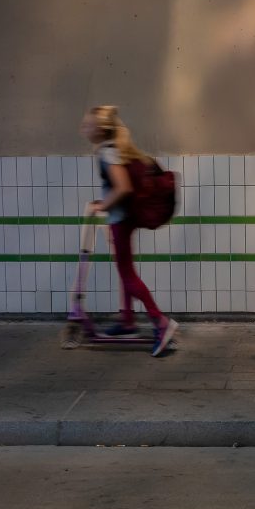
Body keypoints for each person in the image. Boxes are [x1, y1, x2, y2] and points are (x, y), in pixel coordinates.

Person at [80, 105, 178, 357]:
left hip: (121, 218)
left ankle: (161, 323)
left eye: (88, 125)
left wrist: (102, 205)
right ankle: (127, 321)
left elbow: (122, 187)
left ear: (100, 130)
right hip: (125, 217)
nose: (84, 128)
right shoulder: (116, 149)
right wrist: (103, 204)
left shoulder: (107, 153)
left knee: (128, 275)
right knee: (125, 271)